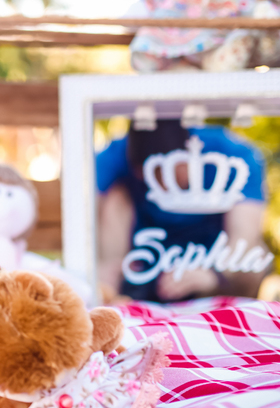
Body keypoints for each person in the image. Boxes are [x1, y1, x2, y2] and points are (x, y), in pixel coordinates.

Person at [96, 119, 271, 302]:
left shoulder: (233, 153)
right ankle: (115, 294)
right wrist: (101, 269)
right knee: (115, 197)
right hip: (141, 263)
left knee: (255, 256)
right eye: (149, 176)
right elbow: (82, 217)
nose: (159, 183)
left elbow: (245, 235)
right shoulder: (113, 156)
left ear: (187, 156)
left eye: (165, 173)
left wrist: (213, 274)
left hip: (213, 263)